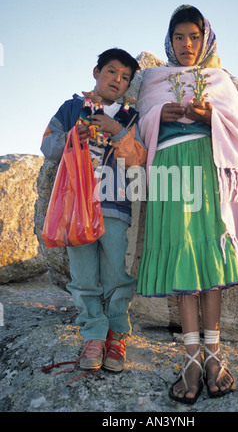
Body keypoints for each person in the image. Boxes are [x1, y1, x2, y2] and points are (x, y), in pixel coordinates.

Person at [136, 5, 238, 404]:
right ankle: (191, 358)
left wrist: (210, 114)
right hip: (168, 171)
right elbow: (141, 123)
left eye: (194, 37)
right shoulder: (153, 81)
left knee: (211, 253)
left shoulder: (219, 80)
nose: (186, 45)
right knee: (183, 254)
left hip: (206, 167)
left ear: (206, 39)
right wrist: (158, 115)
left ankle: (214, 353)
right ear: (169, 40)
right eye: (179, 37)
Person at [41, 48, 147, 374]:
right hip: (76, 206)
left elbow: (140, 158)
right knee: (84, 274)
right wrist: (74, 135)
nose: (117, 79)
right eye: (111, 71)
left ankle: (117, 333)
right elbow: (48, 143)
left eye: (125, 77)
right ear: (96, 72)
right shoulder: (72, 107)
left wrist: (117, 132)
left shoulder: (131, 117)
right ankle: (93, 334)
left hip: (116, 205)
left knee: (118, 272)